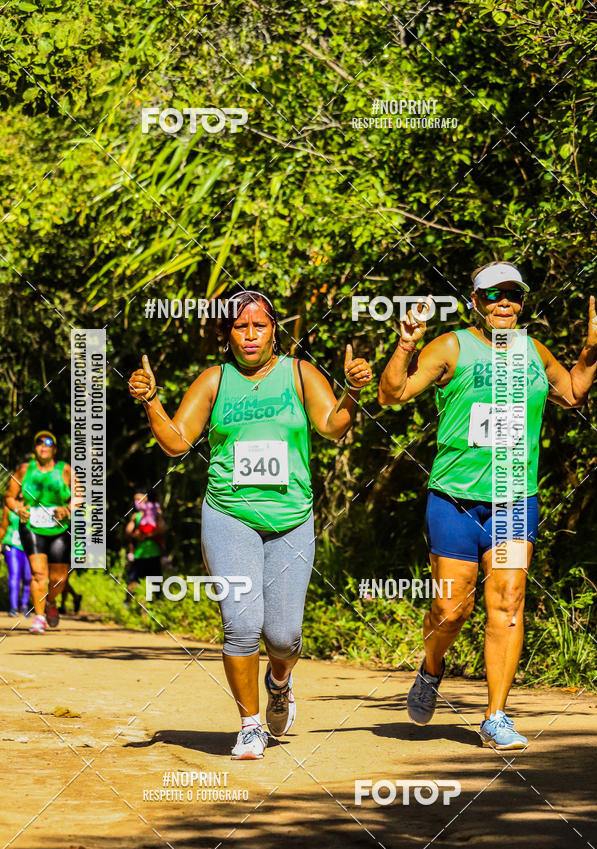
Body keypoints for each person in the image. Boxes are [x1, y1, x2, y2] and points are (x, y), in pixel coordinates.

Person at [128, 289, 373, 759]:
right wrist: (152, 400)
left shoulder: (299, 374)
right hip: (229, 515)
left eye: (259, 325)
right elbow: (177, 443)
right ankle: (250, 724)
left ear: (274, 329)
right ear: (227, 334)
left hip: (291, 519)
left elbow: (332, 425)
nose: (251, 334)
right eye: (240, 327)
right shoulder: (214, 381)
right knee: (241, 624)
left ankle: (279, 681)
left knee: (284, 636)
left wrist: (353, 391)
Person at [379, 261, 597, 750]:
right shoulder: (453, 347)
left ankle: (495, 715)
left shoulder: (532, 350)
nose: (504, 303)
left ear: (521, 302)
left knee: (508, 604)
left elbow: (573, 393)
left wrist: (589, 351)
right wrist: (407, 343)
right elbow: (392, 393)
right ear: (475, 301)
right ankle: (431, 667)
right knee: (450, 609)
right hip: (455, 502)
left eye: (513, 295)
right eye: (493, 295)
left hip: (514, 503)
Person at [5, 431, 72, 634]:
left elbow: (79, 497)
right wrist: (18, 508)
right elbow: (9, 497)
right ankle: (40, 616)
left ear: (55, 449)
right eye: (39, 443)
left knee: (59, 579)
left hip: (59, 528)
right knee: (38, 573)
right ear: (35, 448)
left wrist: (67, 509)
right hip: (31, 526)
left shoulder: (65, 470)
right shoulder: (25, 470)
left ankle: (50, 601)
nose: (43, 446)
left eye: (48, 443)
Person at [125, 489, 166, 598]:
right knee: (133, 581)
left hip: (154, 554)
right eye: (135, 500)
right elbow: (128, 532)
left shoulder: (156, 513)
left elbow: (162, 529)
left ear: (146, 498)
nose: (137, 502)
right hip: (139, 554)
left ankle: (156, 606)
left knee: (156, 583)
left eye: (139, 499)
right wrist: (136, 536)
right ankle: (127, 604)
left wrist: (146, 536)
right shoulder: (136, 516)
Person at [0, 502, 32, 617]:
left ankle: (24, 606)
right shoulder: (9, 506)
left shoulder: (35, 504)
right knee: (14, 575)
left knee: (28, 577)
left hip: (29, 547)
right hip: (12, 545)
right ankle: (13, 607)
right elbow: (3, 527)